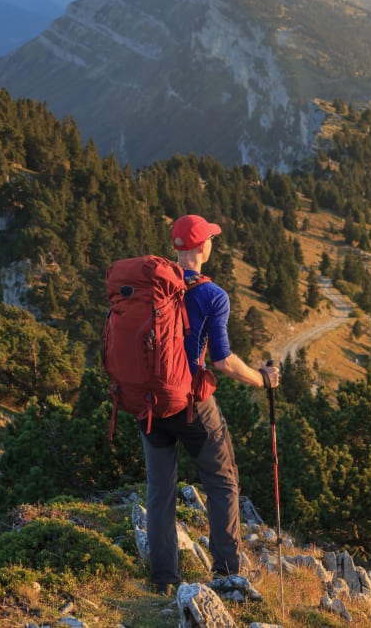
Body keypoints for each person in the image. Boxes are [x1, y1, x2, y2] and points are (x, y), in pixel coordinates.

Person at [140, 213, 280, 596]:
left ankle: (164, 581)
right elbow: (222, 361)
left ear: (176, 247)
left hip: (148, 402)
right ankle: (226, 574)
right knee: (222, 481)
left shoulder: (151, 286)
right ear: (203, 247)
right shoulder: (211, 295)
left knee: (160, 489)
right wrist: (261, 377)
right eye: (211, 239)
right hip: (190, 404)